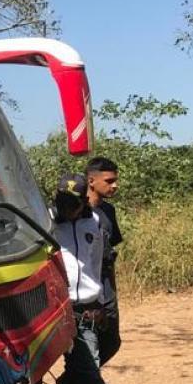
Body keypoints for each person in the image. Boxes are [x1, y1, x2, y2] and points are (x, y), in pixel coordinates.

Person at [53, 173, 141, 384]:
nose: (67, 209)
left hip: (84, 311)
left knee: (90, 373)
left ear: (84, 202)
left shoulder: (97, 222)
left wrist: (101, 302)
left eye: (73, 203)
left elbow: (99, 265)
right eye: (62, 202)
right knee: (29, 369)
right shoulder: (44, 221)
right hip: (52, 308)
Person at [86, 156, 122, 365]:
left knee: (111, 341)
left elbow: (111, 255)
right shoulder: (73, 213)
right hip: (82, 288)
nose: (114, 186)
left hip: (105, 286)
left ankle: (73, 381)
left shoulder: (109, 211)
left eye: (115, 180)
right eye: (109, 181)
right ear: (91, 181)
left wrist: (113, 292)